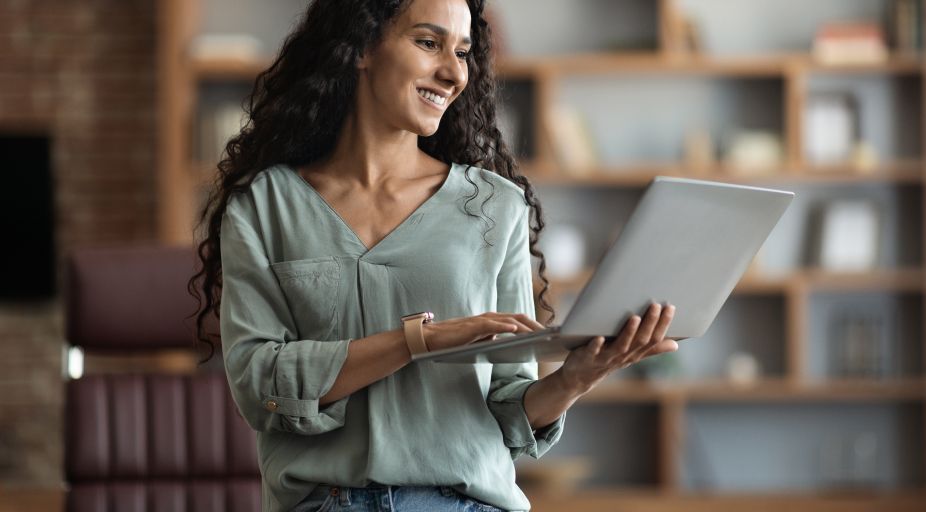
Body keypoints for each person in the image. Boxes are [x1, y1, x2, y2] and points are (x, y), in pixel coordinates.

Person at [187, 0, 680, 510]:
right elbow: (257, 384)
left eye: (463, 52)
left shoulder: (494, 206)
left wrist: (577, 378)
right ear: (360, 46)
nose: (453, 73)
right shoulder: (265, 204)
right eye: (428, 43)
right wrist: (416, 341)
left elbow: (510, 407)